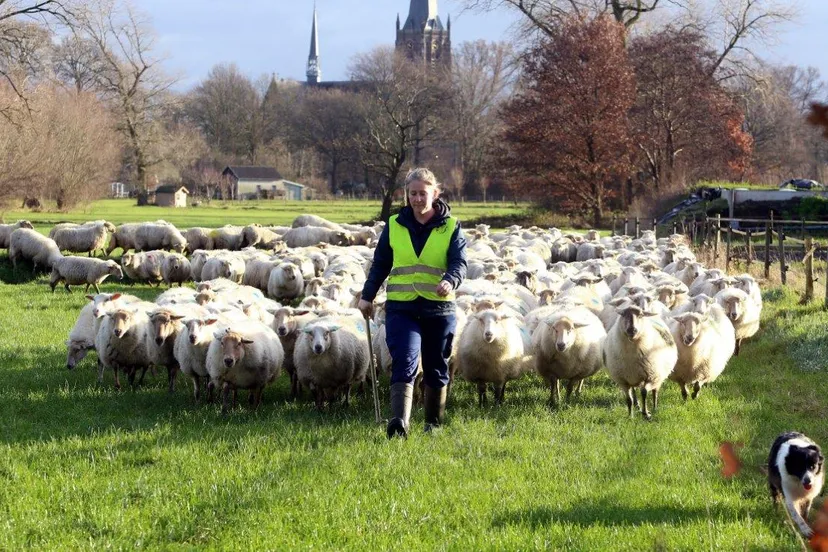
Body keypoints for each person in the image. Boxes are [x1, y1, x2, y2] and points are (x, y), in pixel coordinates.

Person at [358, 168, 467, 439]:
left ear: (435, 194)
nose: (418, 199)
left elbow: (459, 262)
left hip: (438, 308)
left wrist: (450, 280)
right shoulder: (394, 224)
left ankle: (433, 424)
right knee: (404, 359)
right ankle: (398, 424)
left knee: (435, 364)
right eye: (413, 193)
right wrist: (367, 296)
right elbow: (381, 263)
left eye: (423, 193)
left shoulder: (451, 227)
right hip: (401, 306)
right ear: (406, 195)